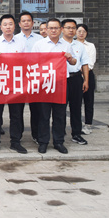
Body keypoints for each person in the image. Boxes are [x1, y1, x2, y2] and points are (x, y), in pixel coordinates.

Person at [0, 14, 28, 154]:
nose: (8, 27)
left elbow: (28, 61)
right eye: (5, 24)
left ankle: (15, 142)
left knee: (16, 114)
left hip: (16, 83)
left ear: (14, 26)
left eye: (10, 24)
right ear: (0, 27)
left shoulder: (21, 42)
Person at [32, 18, 77, 154]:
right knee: (43, 114)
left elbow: (74, 62)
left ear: (61, 29)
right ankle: (43, 142)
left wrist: (70, 58)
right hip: (44, 83)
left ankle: (58, 142)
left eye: (56, 28)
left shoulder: (66, 45)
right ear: (46, 30)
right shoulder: (39, 45)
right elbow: (32, 63)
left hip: (61, 84)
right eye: (50, 28)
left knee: (60, 114)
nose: (53, 30)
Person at [61, 19, 90, 146]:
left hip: (76, 78)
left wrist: (86, 80)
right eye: (68, 27)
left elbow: (85, 63)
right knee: (61, 108)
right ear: (62, 29)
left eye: (73, 28)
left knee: (76, 107)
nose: (71, 30)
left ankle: (76, 134)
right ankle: (60, 132)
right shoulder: (59, 44)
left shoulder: (79, 45)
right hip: (61, 79)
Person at [17, 11, 42, 144]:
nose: (26, 23)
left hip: (35, 77)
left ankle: (36, 134)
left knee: (36, 107)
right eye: (23, 21)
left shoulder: (40, 40)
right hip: (19, 78)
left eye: (28, 21)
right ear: (19, 24)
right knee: (17, 108)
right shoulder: (14, 39)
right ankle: (18, 134)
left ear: (33, 23)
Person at [76, 24, 96, 135]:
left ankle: (88, 125)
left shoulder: (90, 46)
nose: (81, 33)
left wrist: (82, 69)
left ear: (86, 33)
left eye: (83, 31)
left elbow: (90, 62)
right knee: (76, 102)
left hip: (88, 74)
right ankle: (76, 125)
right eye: (79, 31)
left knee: (88, 101)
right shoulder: (71, 45)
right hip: (76, 76)